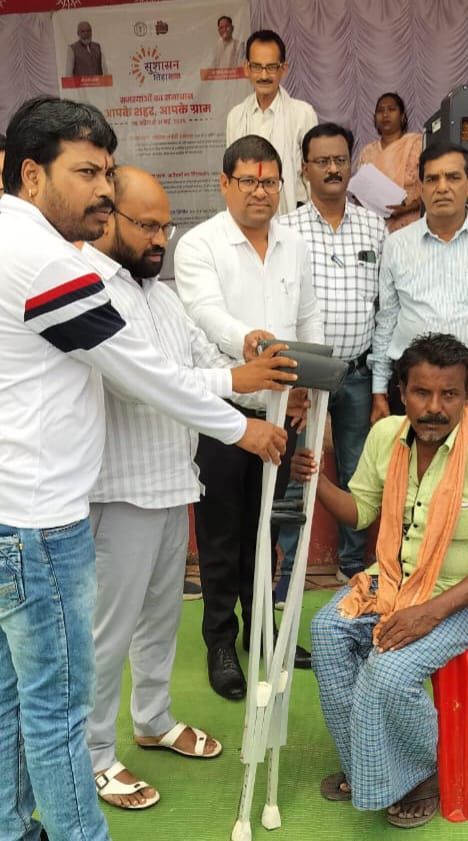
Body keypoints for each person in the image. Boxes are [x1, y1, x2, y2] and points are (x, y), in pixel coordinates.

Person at [0, 96, 288, 841]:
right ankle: (86, 794)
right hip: (51, 512)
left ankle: (123, 741)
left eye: (106, 173)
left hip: (69, 500)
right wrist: (242, 425)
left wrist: (238, 368)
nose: (100, 190)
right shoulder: (54, 263)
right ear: (30, 175)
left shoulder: (59, 258)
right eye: (86, 173)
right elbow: (143, 376)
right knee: (61, 702)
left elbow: (186, 359)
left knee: (31, 692)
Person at [82, 166, 296, 811]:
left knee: (160, 619)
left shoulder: (160, 293)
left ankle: (152, 720)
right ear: (108, 218)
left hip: (171, 481)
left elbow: (204, 359)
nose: (159, 239)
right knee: (108, 632)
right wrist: (238, 403)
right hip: (119, 488)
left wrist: (261, 370)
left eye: (166, 227)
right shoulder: (90, 288)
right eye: (146, 226)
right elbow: (149, 383)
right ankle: (94, 754)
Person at [293, 333, 468, 827]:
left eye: (449, 394)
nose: (434, 408)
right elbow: (361, 512)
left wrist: (430, 613)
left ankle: (421, 772)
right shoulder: (386, 437)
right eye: (422, 392)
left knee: (389, 670)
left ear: (467, 395)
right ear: (401, 391)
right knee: (327, 633)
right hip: (395, 579)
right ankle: (368, 763)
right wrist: (316, 482)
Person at [174, 134, 325, 700]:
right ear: (224, 184)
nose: (260, 191)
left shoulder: (295, 244)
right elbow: (204, 312)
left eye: (269, 182)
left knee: (266, 531)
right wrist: (249, 339)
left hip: (282, 411)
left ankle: (263, 631)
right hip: (221, 412)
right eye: (248, 181)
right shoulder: (200, 243)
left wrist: (307, 379)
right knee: (220, 535)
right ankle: (220, 641)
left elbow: (308, 318)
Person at [275, 122, 387, 599]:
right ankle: (288, 571)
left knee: (358, 472)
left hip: (358, 374)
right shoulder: (286, 230)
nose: (333, 168)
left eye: (340, 159)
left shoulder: (374, 226)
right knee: (297, 470)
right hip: (304, 377)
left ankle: (350, 567)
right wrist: (293, 380)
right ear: (305, 170)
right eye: (322, 161)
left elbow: (384, 305)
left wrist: (380, 382)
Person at [371, 140, 468, 427]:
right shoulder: (397, 244)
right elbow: (387, 321)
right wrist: (378, 389)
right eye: (432, 179)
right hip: (410, 385)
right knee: (410, 455)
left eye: (453, 177)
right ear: (421, 188)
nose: (442, 187)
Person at [226, 29, 317, 215]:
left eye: (271, 67)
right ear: (247, 68)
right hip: (248, 216)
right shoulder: (235, 116)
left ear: (283, 68)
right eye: (257, 67)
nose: (264, 75)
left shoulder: (303, 114)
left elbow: (313, 178)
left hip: (294, 216)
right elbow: (232, 175)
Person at [358, 92, 422, 232]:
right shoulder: (367, 152)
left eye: (391, 109)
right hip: (376, 229)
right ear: (375, 118)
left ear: (402, 116)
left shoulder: (417, 144)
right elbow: (360, 194)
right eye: (380, 111)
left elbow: (432, 187)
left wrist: (408, 208)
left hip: (412, 227)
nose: (385, 115)